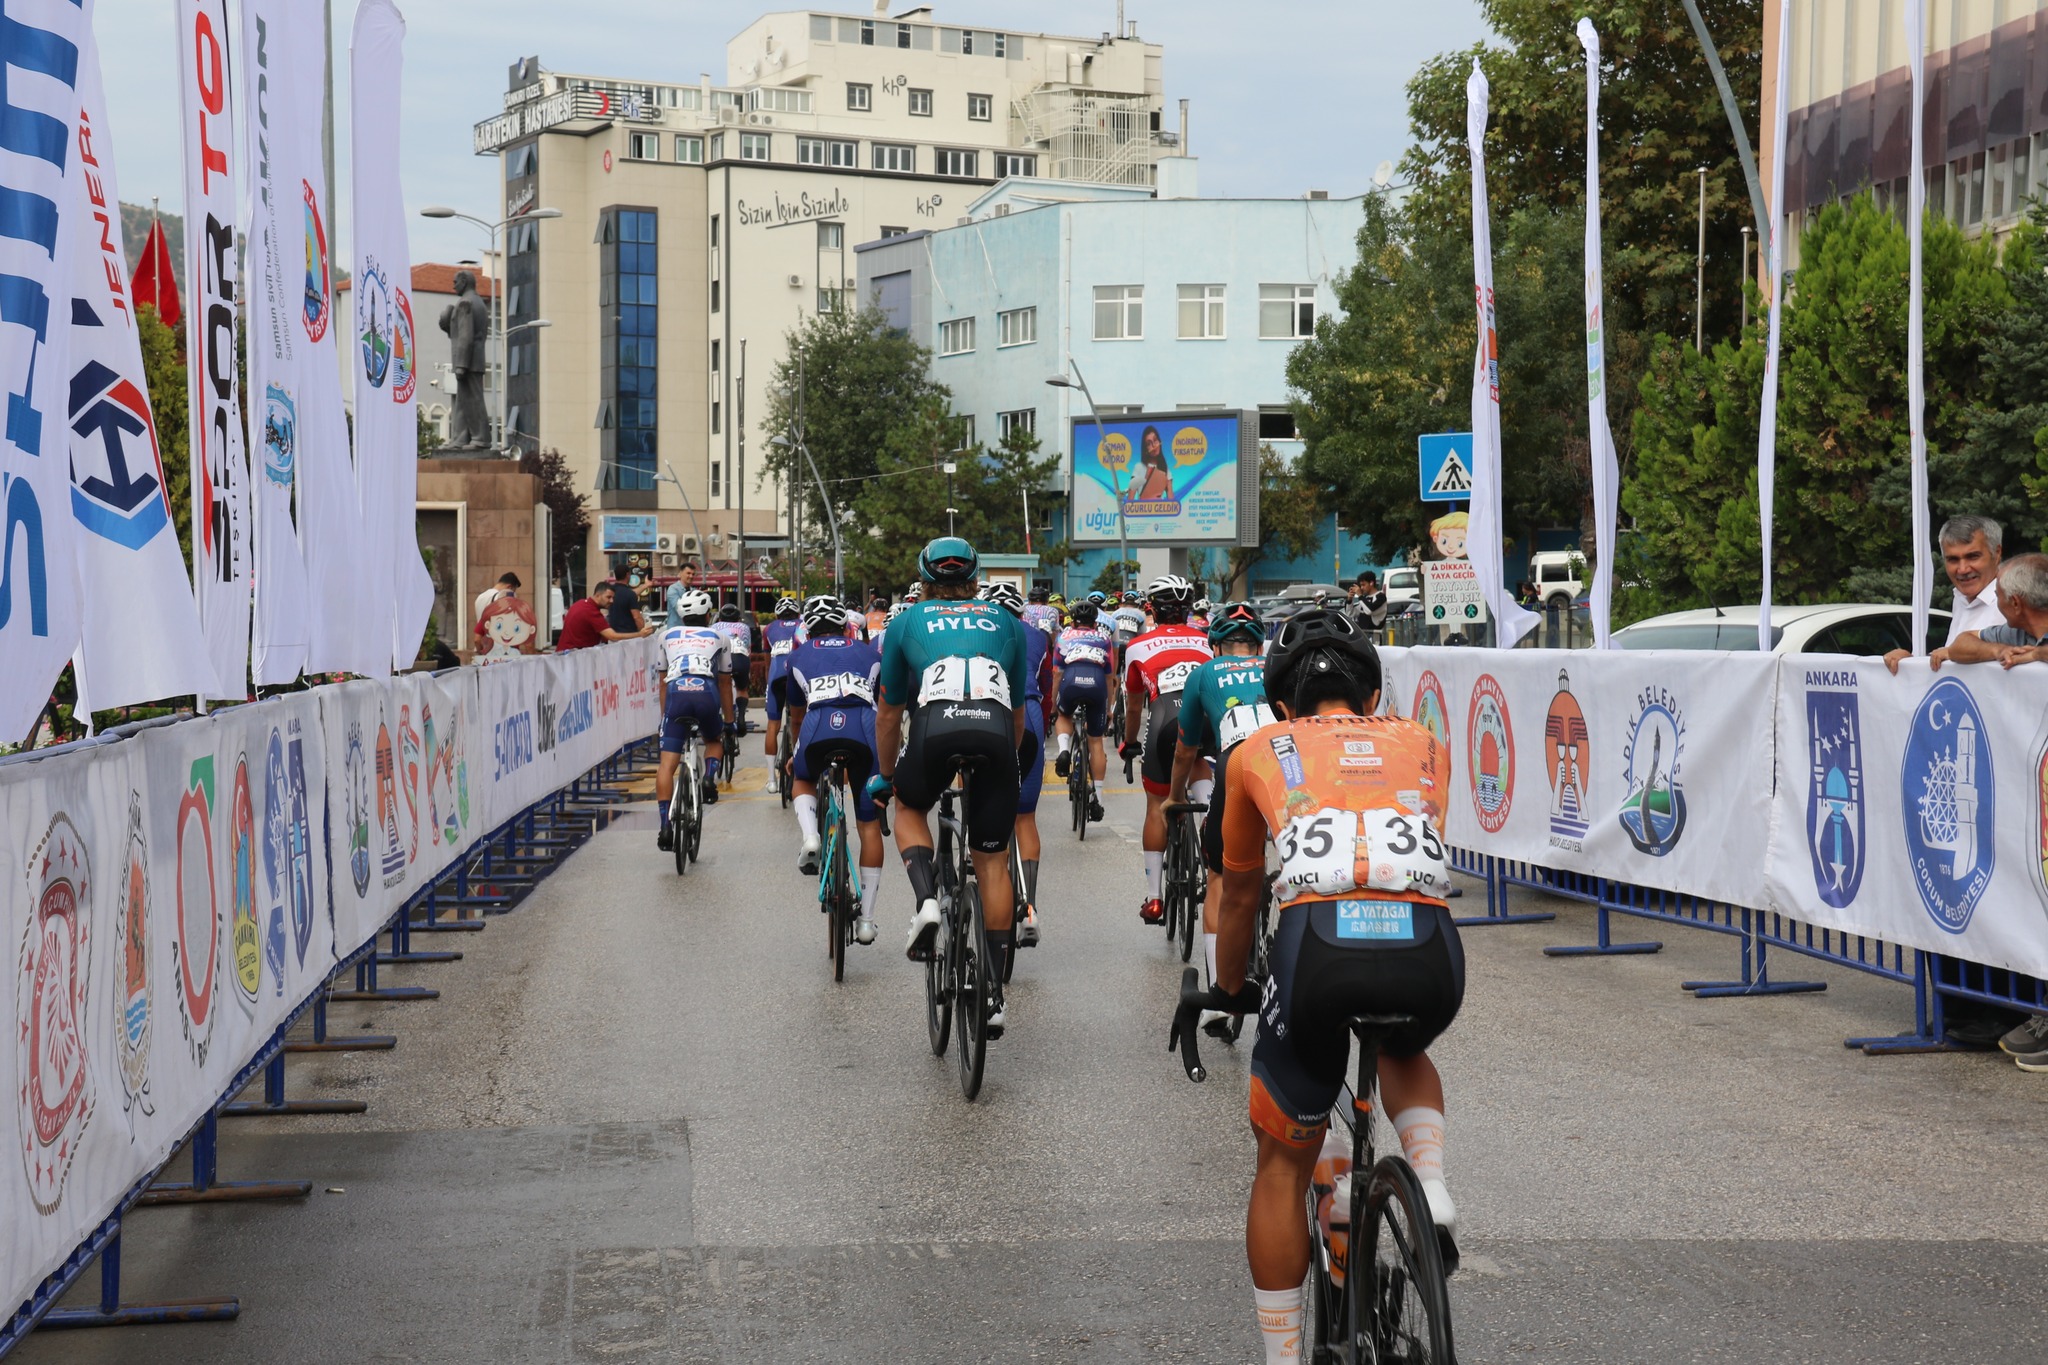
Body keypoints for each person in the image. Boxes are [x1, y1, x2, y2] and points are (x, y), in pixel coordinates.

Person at [1211, 608, 1462, 1363]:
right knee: (1400, 1040)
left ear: (1282, 705)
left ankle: (1283, 1356)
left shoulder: (1259, 747)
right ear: (1372, 694)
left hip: (1317, 947)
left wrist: (1230, 988)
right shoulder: (1422, 742)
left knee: (1282, 1160)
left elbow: (1241, 892)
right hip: (1430, 951)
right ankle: (1431, 1180)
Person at [869, 537, 1028, 1030]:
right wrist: (1008, 763)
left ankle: (927, 902)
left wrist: (888, 776)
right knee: (993, 863)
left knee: (909, 807)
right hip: (997, 733)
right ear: (976, 582)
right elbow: (1018, 714)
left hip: (935, 728)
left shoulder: (906, 622)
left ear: (923, 582)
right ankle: (996, 997)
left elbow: (890, 712)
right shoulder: (1007, 623)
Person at [1167, 601, 1274, 1031]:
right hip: (1289, 765)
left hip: (1237, 764)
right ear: (1258, 645)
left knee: (1219, 877)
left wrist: (1174, 798)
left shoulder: (1203, 673)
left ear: (1217, 646)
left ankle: (1218, 992)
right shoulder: (1275, 666)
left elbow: (1184, 751)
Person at [784, 595, 887, 945]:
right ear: (847, 627)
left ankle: (811, 835)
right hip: (863, 729)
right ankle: (867, 921)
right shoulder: (871, 653)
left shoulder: (797, 655)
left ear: (807, 629)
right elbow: (883, 704)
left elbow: (796, 716)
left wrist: (797, 753)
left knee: (801, 778)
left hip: (817, 727)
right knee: (868, 824)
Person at [1120, 574, 1213, 925]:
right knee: (1199, 760)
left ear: (1152, 609)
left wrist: (1130, 743)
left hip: (1163, 720)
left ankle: (1156, 898)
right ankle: (1206, 822)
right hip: (1203, 718)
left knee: (1156, 805)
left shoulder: (1138, 645)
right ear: (1188, 610)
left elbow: (1132, 707)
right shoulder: (1206, 640)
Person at [985, 580, 1054, 944]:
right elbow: (1046, 689)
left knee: (983, 800)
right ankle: (1029, 906)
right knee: (1025, 817)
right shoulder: (1038, 636)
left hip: (987, 709)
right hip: (1028, 711)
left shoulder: (979, 630)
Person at [654, 589, 735, 849]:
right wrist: (730, 723)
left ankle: (665, 826)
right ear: (709, 615)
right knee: (714, 740)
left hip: (677, 694)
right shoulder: (720, 637)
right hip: (706, 692)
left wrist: (665, 719)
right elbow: (725, 684)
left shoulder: (665, 636)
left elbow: (663, 684)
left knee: (667, 764)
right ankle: (710, 778)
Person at [1886, 515, 2007, 673]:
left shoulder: (2015, 600)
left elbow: (2027, 655)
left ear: (1996, 553)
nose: (1963, 569)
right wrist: (1911, 662)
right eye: (1953, 560)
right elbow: (1950, 662)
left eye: (1972, 556)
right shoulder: (1960, 599)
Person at [1051, 596, 1114, 824]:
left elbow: (1057, 673)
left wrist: (1052, 704)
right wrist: (1109, 708)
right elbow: (1110, 677)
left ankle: (1064, 749)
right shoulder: (1104, 638)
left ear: (1073, 621)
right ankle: (1098, 798)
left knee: (1064, 714)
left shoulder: (1064, 636)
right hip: (1097, 683)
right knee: (1096, 741)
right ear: (1095, 622)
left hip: (1070, 680)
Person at [1936, 552, 2048, 669]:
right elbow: (1959, 645)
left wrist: (2038, 654)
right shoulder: (2017, 632)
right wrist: (1999, 650)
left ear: (2015, 603)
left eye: (1998, 596)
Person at [760, 597, 805, 793]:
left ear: (777, 615)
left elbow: (767, 663)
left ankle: (771, 780)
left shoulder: (769, 628)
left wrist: (767, 684)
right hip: (797, 673)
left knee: (773, 724)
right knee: (801, 720)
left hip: (776, 677)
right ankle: (802, 766)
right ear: (797, 614)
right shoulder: (804, 625)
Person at [557, 582, 650, 650]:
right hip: (572, 659)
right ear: (597, 595)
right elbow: (612, 636)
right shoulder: (590, 611)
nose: (612, 601)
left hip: (566, 656)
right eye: (608, 597)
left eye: (613, 598)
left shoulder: (580, 604)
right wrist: (639, 634)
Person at [712, 603, 757, 735]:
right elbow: (748, 648)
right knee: (741, 689)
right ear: (738, 619)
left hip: (721, 658)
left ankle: (718, 717)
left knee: (717, 686)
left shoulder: (714, 627)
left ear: (720, 618)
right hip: (740, 656)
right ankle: (741, 715)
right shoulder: (744, 627)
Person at [1126, 424, 1175, 504]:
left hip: (1160, 513)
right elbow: (1130, 500)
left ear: (1159, 442)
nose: (1154, 446)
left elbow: (1171, 501)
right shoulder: (1139, 467)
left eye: (1155, 440)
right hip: (1143, 513)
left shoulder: (1165, 469)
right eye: (1149, 444)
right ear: (1145, 448)